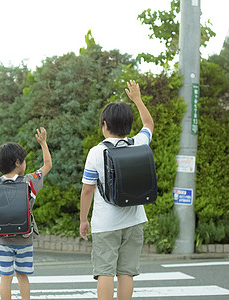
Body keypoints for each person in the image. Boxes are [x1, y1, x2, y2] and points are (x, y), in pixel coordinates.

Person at [79, 80, 154, 300]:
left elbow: (87, 190)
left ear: (104, 124)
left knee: (104, 272)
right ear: (129, 125)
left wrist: (84, 219)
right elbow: (149, 124)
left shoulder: (96, 152)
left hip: (105, 223)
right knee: (126, 272)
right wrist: (137, 99)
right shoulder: (139, 143)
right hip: (134, 219)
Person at [0, 127, 52, 300]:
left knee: (5, 277)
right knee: (22, 275)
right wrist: (43, 143)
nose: (25, 163)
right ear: (17, 163)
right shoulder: (29, 182)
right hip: (24, 238)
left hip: (2, 239)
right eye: (24, 161)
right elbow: (48, 165)